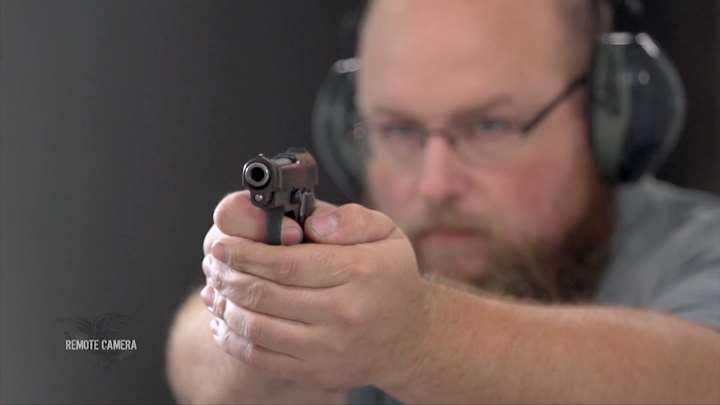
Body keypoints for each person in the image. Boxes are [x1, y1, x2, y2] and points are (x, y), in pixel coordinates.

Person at [166, 0, 720, 403]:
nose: (434, 184)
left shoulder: (696, 251)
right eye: (400, 131)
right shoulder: (367, 302)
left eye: (488, 125)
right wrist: (254, 313)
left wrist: (415, 337)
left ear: (608, 118)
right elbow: (192, 347)